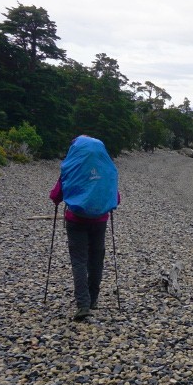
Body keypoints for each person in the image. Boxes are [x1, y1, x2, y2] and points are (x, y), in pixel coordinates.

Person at [49, 135, 120, 321]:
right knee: (96, 259)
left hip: (76, 220)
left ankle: (83, 305)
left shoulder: (72, 167)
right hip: (100, 220)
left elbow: (55, 196)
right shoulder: (106, 168)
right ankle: (93, 298)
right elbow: (116, 197)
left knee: (79, 261)